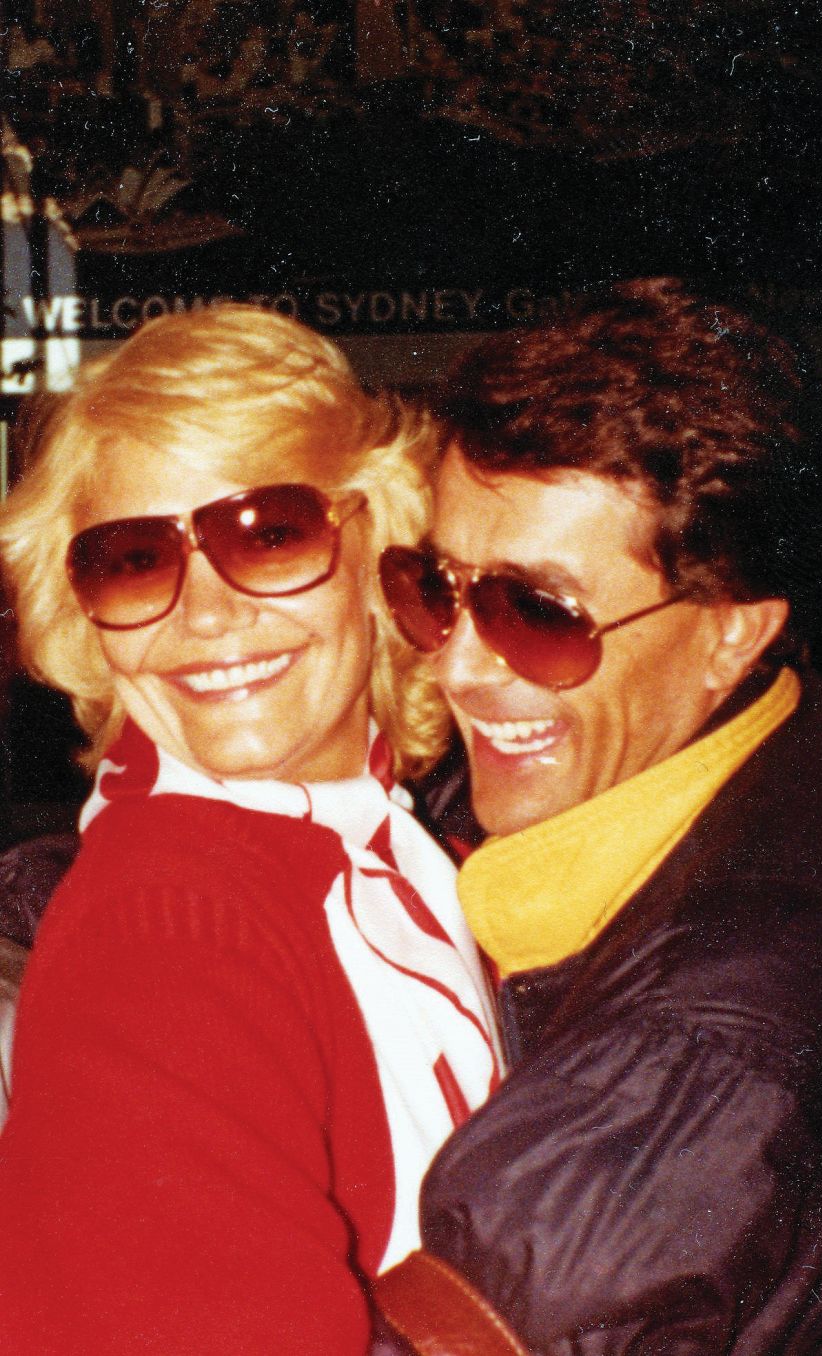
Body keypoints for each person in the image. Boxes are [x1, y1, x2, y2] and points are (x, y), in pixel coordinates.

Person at [373, 278, 822, 1354]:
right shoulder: (781, 739)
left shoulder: (696, 1052)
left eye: (536, 612)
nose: (459, 668)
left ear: (731, 633)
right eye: (439, 586)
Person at [0, 304, 500, 1354]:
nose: (207, 614)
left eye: (271, 535)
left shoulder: (400, 853)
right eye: (135, 559)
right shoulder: (169, 926)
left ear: (379, 547)